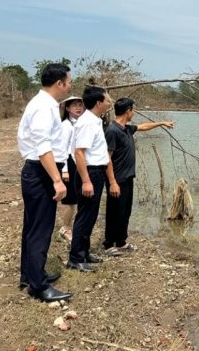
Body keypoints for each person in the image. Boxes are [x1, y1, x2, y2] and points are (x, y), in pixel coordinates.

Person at [17, 63, 73, 302]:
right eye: (69, 82)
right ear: (59, 83)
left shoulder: (46, 104)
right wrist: (57, 181)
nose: (70, 86)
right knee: (40, 229)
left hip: (40, 171)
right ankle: (38, 286)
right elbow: (43, 147)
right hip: (41, 172)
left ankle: (30, 275)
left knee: (32, 227)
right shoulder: (43, 107)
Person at [103, 98, 174, 255]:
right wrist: (112, 182)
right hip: (117, 180)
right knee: (114, 212)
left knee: (125, 212)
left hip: (128, 179)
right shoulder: (113, 131)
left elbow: (143, 126)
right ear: (128, 111)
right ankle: (108, 244)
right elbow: (107, 158)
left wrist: (162, 123)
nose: (134, 113)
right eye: (133, 110)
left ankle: (121, 242)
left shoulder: (126, 129)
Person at [67, 86, 110, 272]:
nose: (109, 103)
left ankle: (84, 253)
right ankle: (75, 258)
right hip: (90, 172)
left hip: (96, 172)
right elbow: (79, 153)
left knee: (91, 216)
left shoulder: (95, 121)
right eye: (107, 100)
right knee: (85, 216)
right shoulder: (86, 122)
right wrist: (86, 181)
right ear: (99, 103)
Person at [58, 96, 86, 242]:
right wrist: (64, 170)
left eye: (80, 105)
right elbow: (62, 149)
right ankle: (65, 228)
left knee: (77, 198)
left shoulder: (80, 123)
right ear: (67, 108)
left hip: (79, 162)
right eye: (74, 105)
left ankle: (73, 227)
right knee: (70, 200)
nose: (78, 107)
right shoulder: (66, 125)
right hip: (69, 162)